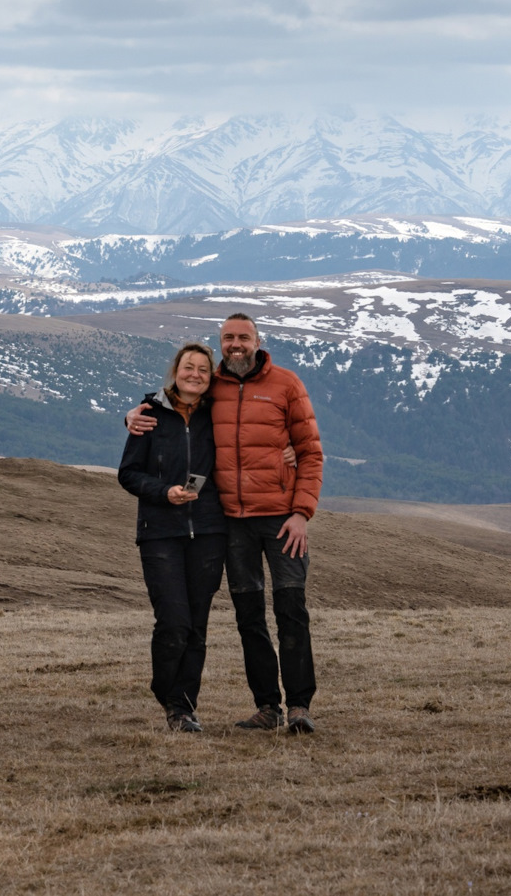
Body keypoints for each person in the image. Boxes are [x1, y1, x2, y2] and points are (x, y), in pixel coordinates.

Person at [127, 312, 324, 734]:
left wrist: (301, 513)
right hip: (233, 522)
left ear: (257, 341)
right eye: (228, 338)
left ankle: (300, 707)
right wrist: (131, 415)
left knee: (291, 609)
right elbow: (171, 403)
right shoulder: (212, 386)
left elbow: (310, 451)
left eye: (243, 338)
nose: (236, 345)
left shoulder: (286, 384)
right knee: (248, 616)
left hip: (281, 519)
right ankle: (268, 706)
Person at [117, 342, 228, 732]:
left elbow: (252, 443)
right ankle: (168, 692)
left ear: (211, 375)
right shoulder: (148, 415)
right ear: (175, 371)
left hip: (210, 532)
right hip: (160, 533)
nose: (195, 374)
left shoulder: (219, 415)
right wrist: (164, 492)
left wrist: (287, 452)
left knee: (197, 626)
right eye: (188, 367)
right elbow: (128, 473)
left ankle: (182, 709)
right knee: (174, 622)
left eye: (203, 368)